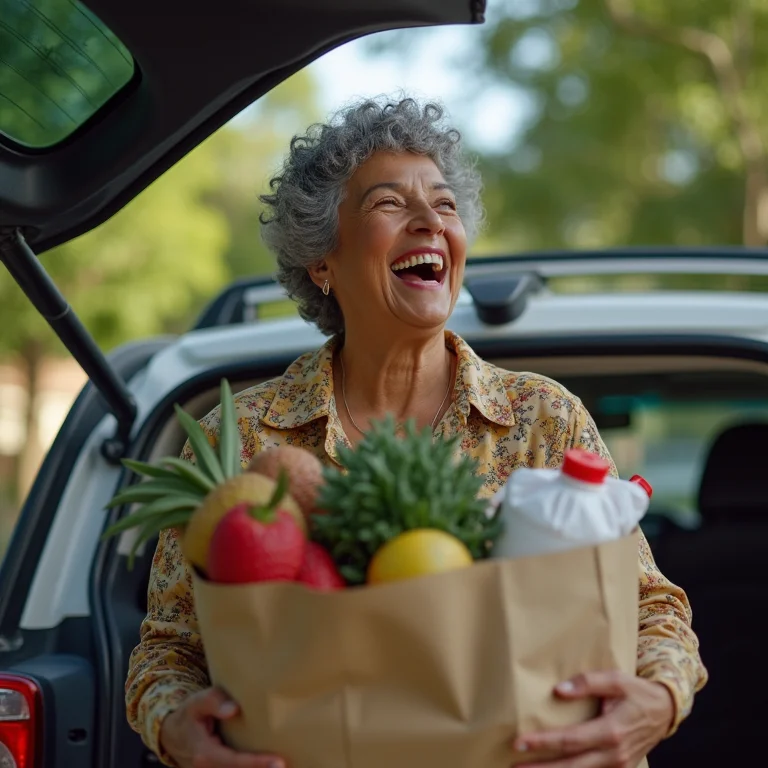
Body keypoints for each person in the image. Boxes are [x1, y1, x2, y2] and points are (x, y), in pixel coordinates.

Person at [125, 96, 708, 768]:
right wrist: (176, 729)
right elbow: (170, 646)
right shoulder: (248, 439)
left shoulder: (543, 416)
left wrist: (659, 701)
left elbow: (650, 605)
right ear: (323, 260)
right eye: (389, 204)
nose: (430, 220)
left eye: (445, 205)